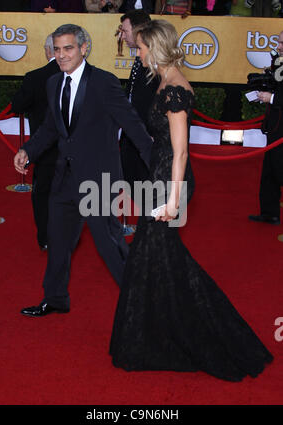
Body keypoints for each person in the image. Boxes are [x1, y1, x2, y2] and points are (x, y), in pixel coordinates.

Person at [110, 19, 273, 381]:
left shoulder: (174, 91)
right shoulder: (166, 81)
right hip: (161, 177)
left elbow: (181, 153)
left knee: (161, 258)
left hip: (171, 183)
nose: (138, 53)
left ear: (156, 47)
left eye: (141, 48)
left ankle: (204, 332)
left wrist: (172, 201)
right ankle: (159, 330)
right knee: (156, 258)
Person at [14, 24, 153, 317]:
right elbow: (52, 127)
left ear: (83, 48)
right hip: (64, 178)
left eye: (68, 49)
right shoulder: (54, 83)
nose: (61, 55)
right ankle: (55, 299)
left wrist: (158, 164)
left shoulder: (104, 82)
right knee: (58, 241)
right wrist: (29, 150)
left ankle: (141, 305)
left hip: (98, 181)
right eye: (56, 49)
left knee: (110, 245)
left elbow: (132, 125)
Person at [11, 34, 60, 251]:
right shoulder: (78, 76)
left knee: (43, 194)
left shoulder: (34, 77)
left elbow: (17, 106)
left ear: (47, 50)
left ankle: (46, 238)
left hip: (43, 148)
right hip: (73, 147)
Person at [119, 10, 159, 218]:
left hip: (146, 137)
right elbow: (132, 94)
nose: (122, 35)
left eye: (125, 30)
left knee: (146, 185)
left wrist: (151, 132)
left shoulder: (155, 62)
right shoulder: (140, 58)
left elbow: (156, 101)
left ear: (138, 29)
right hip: (131, 133)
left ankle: (150, 228)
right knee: (130, 179)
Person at [249, 31, 283, 225]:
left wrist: (271, 98)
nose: (278, 46)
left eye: (282, 42)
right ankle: (269, 213)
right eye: (278, 42)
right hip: (275, 125)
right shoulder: (279, 61)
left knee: (279, 168)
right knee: (269, 169)